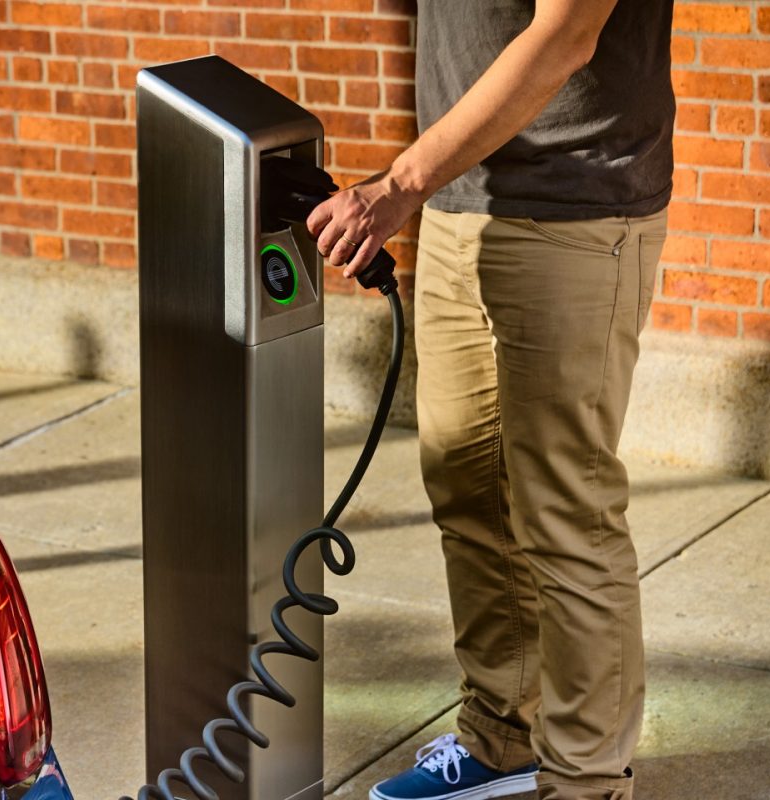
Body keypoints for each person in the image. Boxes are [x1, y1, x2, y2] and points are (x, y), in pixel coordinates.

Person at [306, 1, 672, 799]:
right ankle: (504, 738)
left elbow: (565, 34)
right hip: (455, 203)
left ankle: (587, 782)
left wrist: (400, 183)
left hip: (576, 210)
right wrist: (425, 186)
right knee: (469, 491)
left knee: (566, 514)